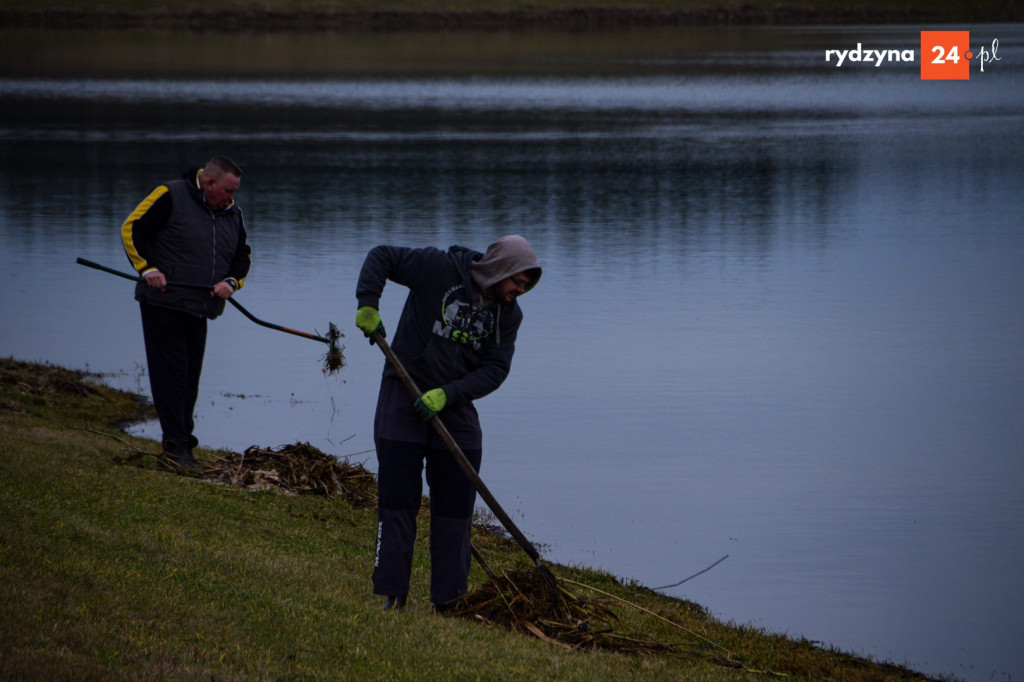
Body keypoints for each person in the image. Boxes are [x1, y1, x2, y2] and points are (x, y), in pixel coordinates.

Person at [355, 234, 541, 612]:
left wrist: (449, 394)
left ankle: (450, 600)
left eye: (527, 285)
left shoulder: (510, 314)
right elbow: (382, 257)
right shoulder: (438, 269)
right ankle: (393, 593)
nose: (521, 290)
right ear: (500, 268)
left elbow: (495, 369)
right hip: (402, 394)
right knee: (398, 499)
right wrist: (368, 304)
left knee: (456, 506)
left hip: (454, 406)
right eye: (518, 281)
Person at [121, 156, 252, 471]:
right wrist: (148, 268)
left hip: (200, 308)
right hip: (163, 303)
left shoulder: (233, 214)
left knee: (190, 379)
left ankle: (185, 447)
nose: (232, 197)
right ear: (209, 183)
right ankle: (175, 449)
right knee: (171, 377)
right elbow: (131, 229)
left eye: (235, 192)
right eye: (228, 190)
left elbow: (243, 255)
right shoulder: (170, 194)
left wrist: (231, 282)